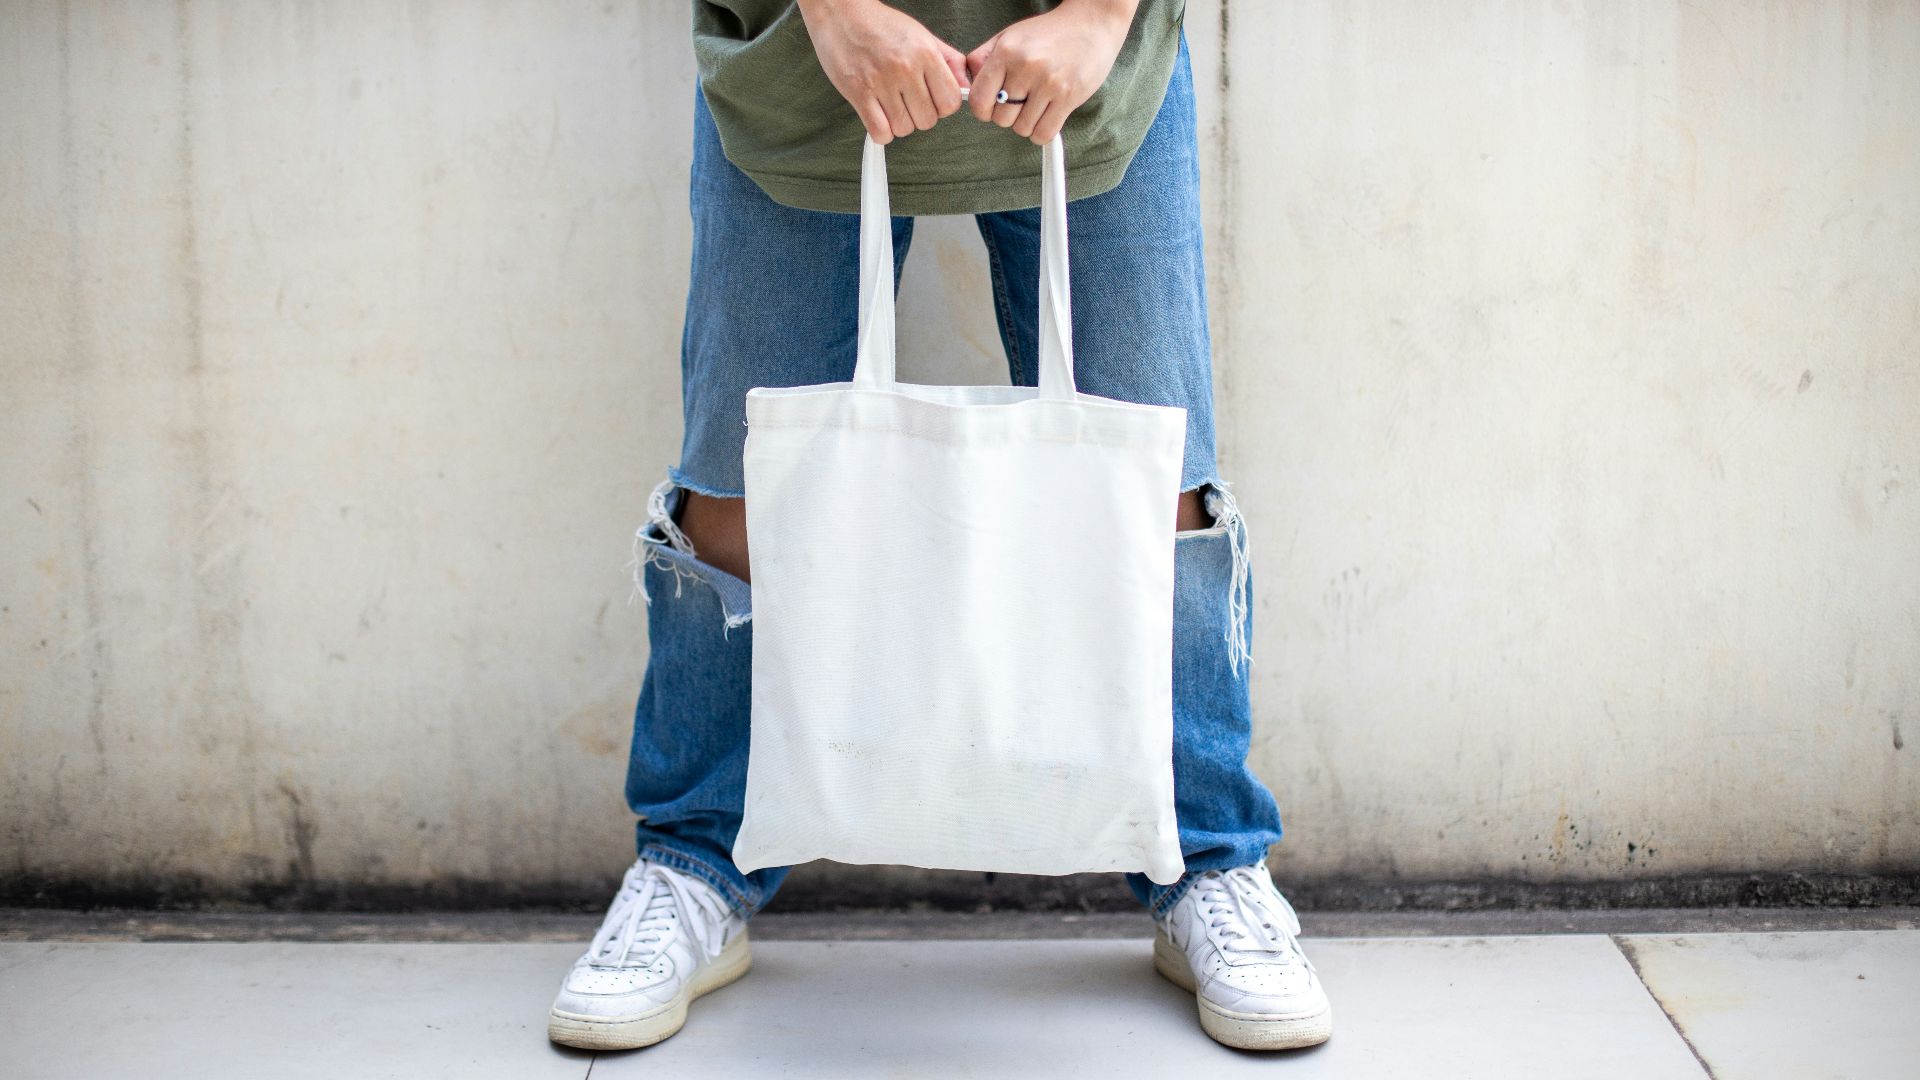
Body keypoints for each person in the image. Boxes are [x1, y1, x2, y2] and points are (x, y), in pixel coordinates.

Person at [546, 0, 1332, 1053]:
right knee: (736, 486)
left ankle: (1208, 859)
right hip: (797, 60)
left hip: (1092, 70)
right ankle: (695, 860)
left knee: (1159, 486)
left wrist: (1100, 18)